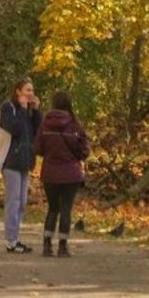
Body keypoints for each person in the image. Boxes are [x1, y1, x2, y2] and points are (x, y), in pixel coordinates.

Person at [34, 91, 90, 257]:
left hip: (50, 173)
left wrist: (51, 154)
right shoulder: (74, 125)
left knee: (52, 209)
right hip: (70, 174)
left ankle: (46, 245)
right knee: (66, 209)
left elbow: (37, 148)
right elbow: (84, 150)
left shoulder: (45, 124)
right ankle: (63, 247)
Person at [0, 77, 43, 254]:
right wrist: (23, 109)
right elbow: (13, 128)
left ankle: (16, 237)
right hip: (11, 161)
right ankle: (11, 240)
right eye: (27, 90)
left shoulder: (29, 111)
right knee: (13, 201)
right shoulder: (8, 108)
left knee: (22, 202)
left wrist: (37, 111)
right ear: (18, 91)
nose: (30, 94)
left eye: (32, 91)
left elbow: (38, 131)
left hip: (25, 160)